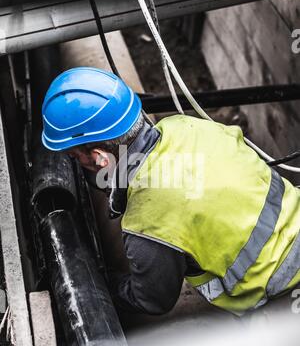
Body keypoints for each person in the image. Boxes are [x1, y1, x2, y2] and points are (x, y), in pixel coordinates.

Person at [42, 67, 300, 316]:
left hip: (285, 297)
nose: (78, 165)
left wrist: (101, 286)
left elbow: (152, 300)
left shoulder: (150, 220)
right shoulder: (188, 126)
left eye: (76, 158)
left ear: (100, 157)